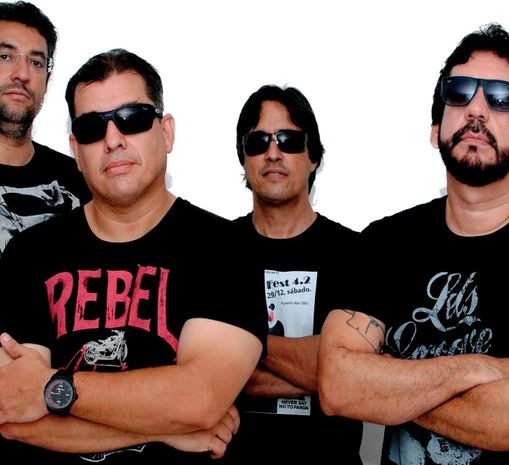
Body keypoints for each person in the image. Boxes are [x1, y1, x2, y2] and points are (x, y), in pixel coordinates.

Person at [0, 48, 268, 463]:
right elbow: (10, 413)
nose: (112, 140)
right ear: (76, 150)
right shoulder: (29, 253)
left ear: (166, 132)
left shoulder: (225, 247)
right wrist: (164, 427)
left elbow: (199, 398)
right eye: (91, 127)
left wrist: (51, 389)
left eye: (133, 118)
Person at [318, 23, 509, 465]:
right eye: (459, 93)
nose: (477, 109)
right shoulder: (384, 243)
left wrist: (387, 388)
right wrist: (483, 368)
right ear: (436, 129)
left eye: (502, 98)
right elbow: (338, 386)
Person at [226, 84, 363, 464]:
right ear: (243, 158)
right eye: (258, 142)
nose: (273, 153)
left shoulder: (356, 252)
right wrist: (320, 371)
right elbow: (202, 375)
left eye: (288, 140)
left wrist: (245, 345)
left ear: (313, 156)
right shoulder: (215, 250)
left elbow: (355, 375)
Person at [0, 1, 90, 257]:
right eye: (5, 56)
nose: (22, 73)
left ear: (47, 80)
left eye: (36, 62)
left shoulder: (80, 180)